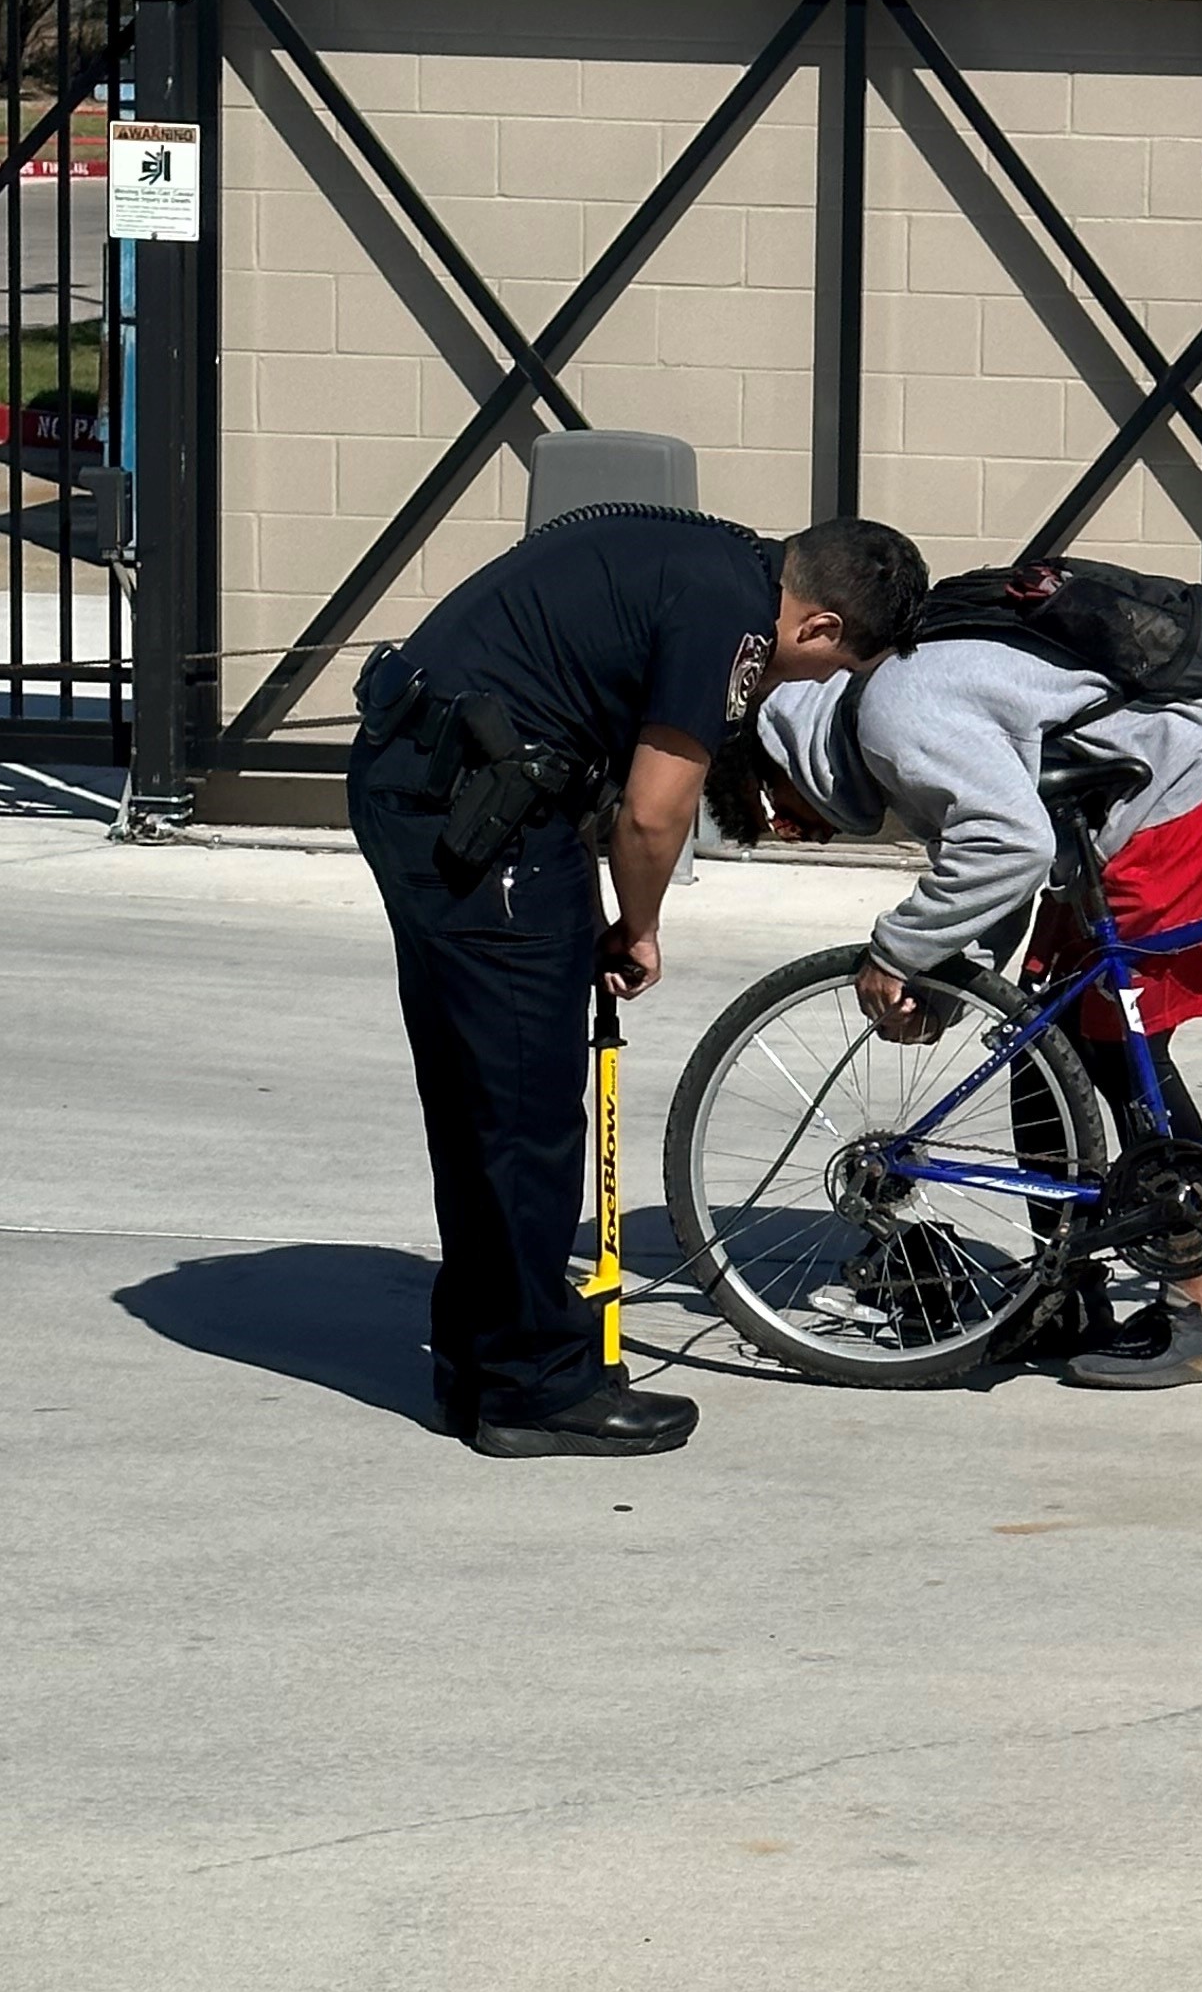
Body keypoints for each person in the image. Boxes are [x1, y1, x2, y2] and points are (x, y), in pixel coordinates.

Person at [348, 501, 852, 1456]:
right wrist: (641, 925)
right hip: (472, 815)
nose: (810, 680)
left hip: (442, 786)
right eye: (830, 665)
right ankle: (534, 1385)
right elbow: (657, 815)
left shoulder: (715, 562)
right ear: (818, 625)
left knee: (479, 1097)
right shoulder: (731, 617)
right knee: (526, 1109)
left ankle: (484, 1358)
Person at [747, 520, 1202, 1388]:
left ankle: (1201, 1311)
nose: (780, 820)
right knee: (1046, 1045)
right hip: (1167, 789)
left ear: (795, 756)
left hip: (1196, 787)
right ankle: (1060, 1289)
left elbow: (1008, 848)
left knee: (1116, 1049)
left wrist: (896, 953)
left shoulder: (892, 710)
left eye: (768, 789)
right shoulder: (902, 695)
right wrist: (950, 977)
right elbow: (994, 863)